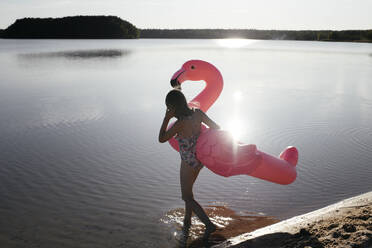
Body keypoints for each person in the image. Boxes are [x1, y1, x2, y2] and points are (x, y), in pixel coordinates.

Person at [158, 89, 220, 241]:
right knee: (189, 193)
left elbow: (161, 138)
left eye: (168, 107)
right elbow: (216, 127)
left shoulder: (180, 123)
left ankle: (209, 224)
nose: (168, 110)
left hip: (187, 163)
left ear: (173, 107)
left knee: (186, 196)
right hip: (199, 160)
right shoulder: (198, 113)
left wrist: (166, 118)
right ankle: (187, 221)